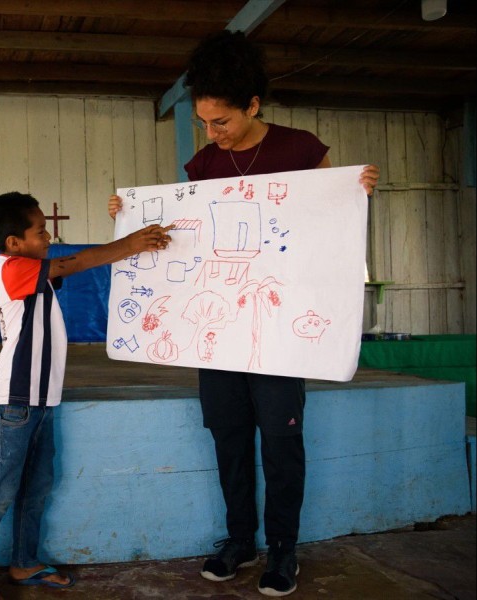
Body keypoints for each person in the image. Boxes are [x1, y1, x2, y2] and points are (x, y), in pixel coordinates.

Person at [110, 31, 380, 597]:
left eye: (222, 121)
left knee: (281, 443)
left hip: (280, 331)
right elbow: (185, 238)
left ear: (253, 105)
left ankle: (284, 549)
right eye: (205, 121)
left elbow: (330, 224)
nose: (212, 133)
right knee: (229, 437)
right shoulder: (204, 163)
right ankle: (240, 539)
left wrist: (356, 193)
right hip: (218, 333)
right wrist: (130, 215)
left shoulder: (302, 150)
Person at [0, 192, 172, 600]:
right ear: (14, 242)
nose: (48, 236)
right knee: (0, 490)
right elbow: (78, 262)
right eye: (40, 231)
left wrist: (126, 230)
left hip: (44, 399)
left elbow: (66, 268)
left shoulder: (34, 270)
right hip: (16, 401)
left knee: (36, 488)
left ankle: (23, 562)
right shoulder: (14, 269)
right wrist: (130, 244)